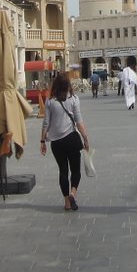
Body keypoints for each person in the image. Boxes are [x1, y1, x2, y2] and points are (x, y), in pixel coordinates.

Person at [40, 73, 91, 211]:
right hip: (72, 139)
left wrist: (42, 141)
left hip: (56, 143)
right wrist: (85, 139)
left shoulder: (50, 101)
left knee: (63, 171)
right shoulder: (74, 99)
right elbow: (79, 122)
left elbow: (46, 123)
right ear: (68, 85)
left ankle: (66, 203)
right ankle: (72, 194)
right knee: (75, 171)